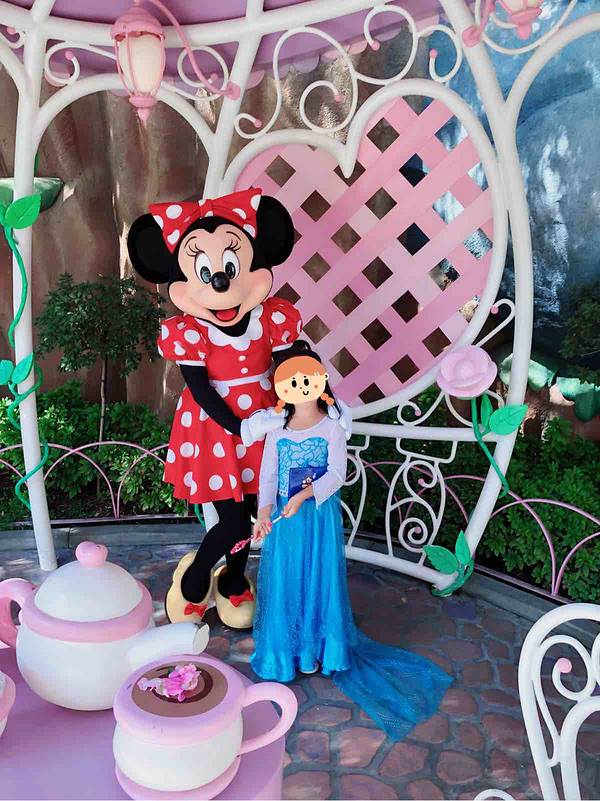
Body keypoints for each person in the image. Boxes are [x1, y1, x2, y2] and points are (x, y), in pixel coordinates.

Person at [251, 341, 453, 740]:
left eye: (307, 378)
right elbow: (268, 476)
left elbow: (337, 474)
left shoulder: (331, 426)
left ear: (320, 379)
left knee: (318, 578)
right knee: (286, 579)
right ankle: (287, 654)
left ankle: (317, 650)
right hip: (286, 520)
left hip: (317, 516)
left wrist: (304, 496)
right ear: (280, 386)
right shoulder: (276, 431)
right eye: (291, 380)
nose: (300, 386)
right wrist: (263, 513)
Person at [127, 188, 301, 628]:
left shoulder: (273, 318)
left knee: (254, 511)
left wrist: (319, 399)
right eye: (205, 272)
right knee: (234, 521)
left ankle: (234, 579)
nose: (220, 283)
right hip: (215, 429)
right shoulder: (189, 331)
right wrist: (240, 427)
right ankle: (195, 579)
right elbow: (201, 389)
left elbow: (292, 365)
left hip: (265, 423)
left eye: (230, 267)